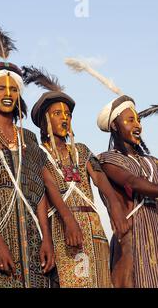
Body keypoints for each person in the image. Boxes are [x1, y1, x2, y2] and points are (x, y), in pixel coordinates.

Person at [0, 24, 81, 288]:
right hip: (1, 235)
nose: (7, 94)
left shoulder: (28, 137)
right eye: (0, 89)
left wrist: (47, 239)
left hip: (34, 236)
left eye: (13, 89)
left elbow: (40, 190)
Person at [27, 66, 124, 287]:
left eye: (68, 115)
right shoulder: (38, 153)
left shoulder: (81, 150)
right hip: (64, 229)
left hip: (94, 229)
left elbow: (101, 181)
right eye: (57, 114)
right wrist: (68, 222)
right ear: (45, 120)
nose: (64, 119)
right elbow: (48, 187)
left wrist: (115, 207)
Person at [66, 57, 158, 287]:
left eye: (138, 120)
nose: (137, 125)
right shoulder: (107, 160)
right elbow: (133, 183)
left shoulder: (152, 161)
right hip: (132, 241)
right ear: (115, 126)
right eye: (130, 120)